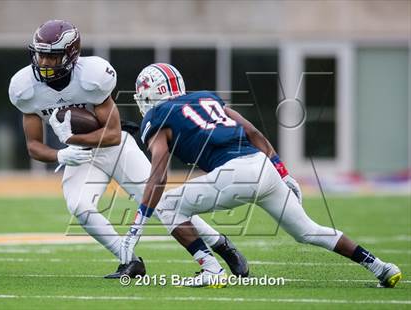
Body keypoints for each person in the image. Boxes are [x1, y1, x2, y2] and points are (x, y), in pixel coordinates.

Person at [120, 62, 402, 288]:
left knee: (168, 205)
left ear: (150, 94)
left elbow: (158, 174)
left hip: (234, 174)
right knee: (308, 231)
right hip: (263, 168)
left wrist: (138, 223)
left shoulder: (156, 117)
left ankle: (211, 269)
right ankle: (380, 267)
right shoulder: (207, 98)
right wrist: (283, 171)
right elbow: (252, 131)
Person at [8, 20, 249, 279]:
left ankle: (220, 244)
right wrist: (60, 154)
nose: (43, 62)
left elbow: (112, 135)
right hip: (79, 156)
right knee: (79, 206)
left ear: (71, 55)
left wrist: (76, 139)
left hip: (115, 149)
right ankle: (129, 261)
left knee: (161, 204)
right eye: (40, 54)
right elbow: (33, 146)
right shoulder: (25, 89)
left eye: (51, 56)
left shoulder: (92, 78)